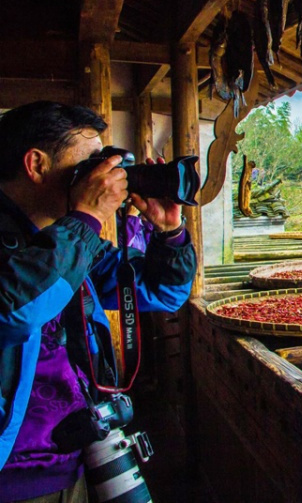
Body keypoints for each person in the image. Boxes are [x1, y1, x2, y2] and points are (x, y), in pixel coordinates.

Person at [0, 101, 197, 503]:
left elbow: (164, 293)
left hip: (77, 457)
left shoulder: (71, 241)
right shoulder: (67, 236)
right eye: (88, 164)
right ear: (36, 164)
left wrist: (169, 232)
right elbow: (15, 311)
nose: (102, 176)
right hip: (14, 475)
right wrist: (86, 217)